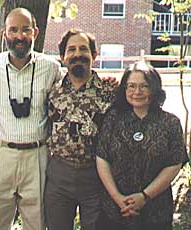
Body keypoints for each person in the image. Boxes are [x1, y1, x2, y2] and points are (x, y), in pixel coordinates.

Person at [0, 8, 61, 230]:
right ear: (4, 34)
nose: (19, 36)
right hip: (0, 155)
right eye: (13, 30)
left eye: (25, 30)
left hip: (37, 155)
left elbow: (70, 95)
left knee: (37, 223)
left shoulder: (51, 68)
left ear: (35, 32)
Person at [95, 61, 188, 230]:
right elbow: (102, 158)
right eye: (131, 86)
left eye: (144, 86)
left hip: (155, 211)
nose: (137, 92)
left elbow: (174, 164)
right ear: (124, 90)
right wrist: (118, 198)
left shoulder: (170, 122)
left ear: (154, 89)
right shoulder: (112, 117)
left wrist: (144, 197)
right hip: (114, 211)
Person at [45, 28, 116, 230]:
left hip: (96, 177)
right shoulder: (52, 91)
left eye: (83, 49)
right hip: (59, 176)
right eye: (71, 49)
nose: (77, 54)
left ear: (94, 55)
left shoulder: (110, 92)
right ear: (62, 56)